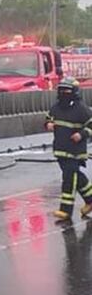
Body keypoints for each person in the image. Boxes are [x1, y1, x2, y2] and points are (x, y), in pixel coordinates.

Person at [46, 77, 92, 221]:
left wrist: (82, 134)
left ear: (74, 92)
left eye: (67, 90)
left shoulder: (82, 109)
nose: (64, 93)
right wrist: (48, 124)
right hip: (60, 150)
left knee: (68, 178)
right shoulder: (56, 107)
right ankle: (91, 200)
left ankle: (65, 210)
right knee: (76, 177)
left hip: (75, 151)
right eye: (62, 90)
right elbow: (48, 118)